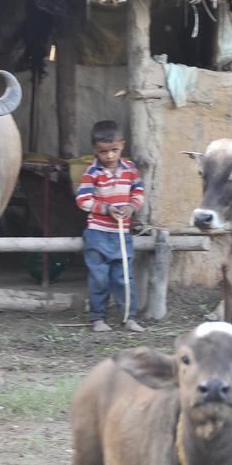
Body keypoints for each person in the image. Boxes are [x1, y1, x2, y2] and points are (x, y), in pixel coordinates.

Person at [75, 120, 146, 332]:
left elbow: (139, 193)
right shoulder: (92, 173)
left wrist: (132, 207)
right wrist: (105, 209)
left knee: (124, 277)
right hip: (97, 233)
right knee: (99, 278)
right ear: (95, 150)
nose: (109, 156)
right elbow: (82, 199)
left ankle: (129, 317)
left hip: (122, 234)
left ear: (122, 145)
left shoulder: (130, 170)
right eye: (103, 152)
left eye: (114, 150)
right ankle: (98, 318)